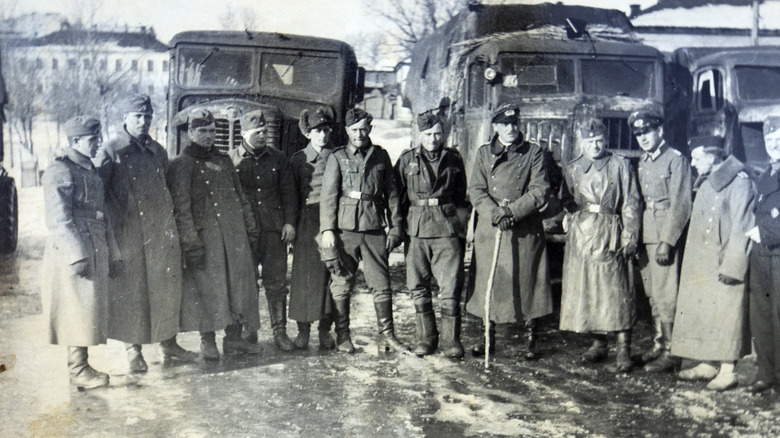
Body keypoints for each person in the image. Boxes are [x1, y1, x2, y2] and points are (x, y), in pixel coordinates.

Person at [97, 94, 197, 372]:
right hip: (128, 235)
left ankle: (169, 344)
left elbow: (167, 190)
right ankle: (133, 351)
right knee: (132, 292)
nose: (143, 122)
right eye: (137, 116)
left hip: (159, 232)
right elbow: (100, 196)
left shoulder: (158, 150)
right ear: (125, 118)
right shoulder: (111, 150)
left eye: (148, 117)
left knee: (166, 289)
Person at [169, 108, 261, 360]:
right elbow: (181, 209)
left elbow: (240, 198)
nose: (209, 136)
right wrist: (190, 243)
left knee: (237, 286)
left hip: (234, 237)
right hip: (205, 240)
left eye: (212, 131)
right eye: (202, 130)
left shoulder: (223, 161)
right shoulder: (180, 165)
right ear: (190, 132)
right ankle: (207, 340)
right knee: (207, 289)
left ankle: (233, 339)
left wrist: (250, 228)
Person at [466, 104, 553, 359]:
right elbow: (476, 190)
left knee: (528, 279)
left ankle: (530, 340)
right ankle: (486, 336)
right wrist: (496, 214)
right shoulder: (483, 154)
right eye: (504, 124)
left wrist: (512, 212)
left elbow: (539, 190)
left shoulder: (533, 153)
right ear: (495, 126)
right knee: (487, 280)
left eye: (514, 123)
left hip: (523, 226)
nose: (511, 128)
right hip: (491, 225)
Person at [319, 108, 407, 354]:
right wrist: (328, 229)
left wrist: (396, 227)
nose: (359, 134)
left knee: (381, 283)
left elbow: (391, 195)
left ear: (370, 129)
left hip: (374, 228)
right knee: (342, 282)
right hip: (345, 229)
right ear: (347, 131)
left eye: (363, 129)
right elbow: (328, 197)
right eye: (354, 130)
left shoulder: (380, 156)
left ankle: (387, 335)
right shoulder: (337, 157)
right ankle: (343, 335)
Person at [42, 116, 121, 389]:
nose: (98, 143)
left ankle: (82, 366)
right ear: (76, 142)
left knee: (88, 309)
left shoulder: (90, 169)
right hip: (73, 251)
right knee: (76, 310)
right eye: (92, 140)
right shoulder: (60, 171)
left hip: (94, 244)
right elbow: (58, 220)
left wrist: (114, 252)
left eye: (98, 137)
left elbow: (102, 215)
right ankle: (78, 370)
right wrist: (76, 255)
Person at [671, 135, 754, 391]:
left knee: (727, 314)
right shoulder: (707, 183)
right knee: (706, 311)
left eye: (697, 157)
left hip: (726, 262)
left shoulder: (740, 183)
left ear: (713, 155)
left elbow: (743, 228)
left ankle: (729, 370)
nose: (693, 163)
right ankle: (708, 363)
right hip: (704, 263)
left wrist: (733, 266)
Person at [559, 119, 641, 372]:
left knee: (616, 291)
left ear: (605, 141)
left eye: (599, 141)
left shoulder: (620, 165)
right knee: (590, 289)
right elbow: (568, 199)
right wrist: (570, 217)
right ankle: (598, 344)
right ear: (582, 143)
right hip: (582, 236)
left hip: (611, 232)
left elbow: (631, 203)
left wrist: (630, 236)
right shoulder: (573, 168)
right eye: (589, 141)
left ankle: (624, 348)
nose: (595, 146)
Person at [394, 111, 469, 358]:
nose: (433, 139)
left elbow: (461, 196)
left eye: (438, 133)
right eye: (427, 134)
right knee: (418, 286)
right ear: (419, 134)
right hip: (416, 230)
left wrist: (460, 227)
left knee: (450, 286)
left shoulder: (454, 159)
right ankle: (426, 338)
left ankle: (451, 340)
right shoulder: (406, 160)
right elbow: (398, 197)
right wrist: (399, 227)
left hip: (447, 229)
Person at [227, 110, 298, 351]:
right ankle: (248, 332)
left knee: (276, 283)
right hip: (244, 232)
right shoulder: (231, 160)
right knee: (245, 283)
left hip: (273, 230)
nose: (262, 136)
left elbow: (289, 193)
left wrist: (289, 223)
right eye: (257, 132)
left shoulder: (278, 159)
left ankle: (280, 333)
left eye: (265, 132)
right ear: (244, 133)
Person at [632, 109, 692, 373]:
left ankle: (672, 352)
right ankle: (659, 343)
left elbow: (680, 203)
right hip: (648, 234)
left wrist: (667, 241)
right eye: (639, 134)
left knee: (667, 295)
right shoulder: (644, 161)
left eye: (647, 132)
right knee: (653, 295)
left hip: (664, 235)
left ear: (660, 131)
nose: (643, 138)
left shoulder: (675, 160)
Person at [288, 107, 337, 350]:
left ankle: (325, 330)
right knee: (303, 277)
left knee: (330, 275)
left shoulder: (337, 156)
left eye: (326, 130)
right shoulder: (298, 160)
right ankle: (303, 330)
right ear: (308, 133)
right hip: (306, 223)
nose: (323, 135)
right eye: (318, 131)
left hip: (331, 222)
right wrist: (292, 226)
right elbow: (291, 196)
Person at [745, 116, 780, 394]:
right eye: (770, 140)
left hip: (777, 252)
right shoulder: (766, 174)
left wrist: (765, 233)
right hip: (761, 256)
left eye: (779, 138)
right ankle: (766, 373)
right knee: (762, 315)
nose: (775, 144)